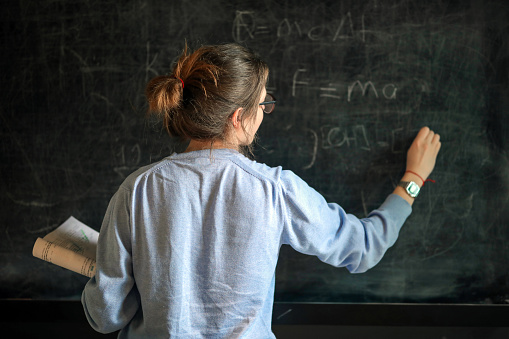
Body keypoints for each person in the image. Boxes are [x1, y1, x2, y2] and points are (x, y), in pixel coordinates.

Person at [82, 43, 441, 338]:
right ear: (238, 117)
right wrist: (412, 180)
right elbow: (362, 249)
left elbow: (106, 315)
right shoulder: (275, 190)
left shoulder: (138, 189)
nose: (265, 112)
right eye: (263, 104)